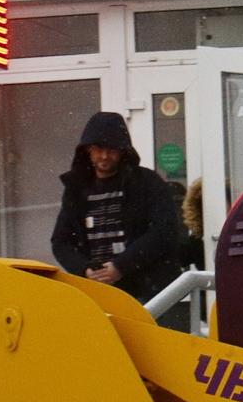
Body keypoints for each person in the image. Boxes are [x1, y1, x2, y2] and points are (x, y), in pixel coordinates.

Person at [51, 111, 188, 306]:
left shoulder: (147, 182)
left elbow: (164, 231)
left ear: (123, 151)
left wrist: (121, 266)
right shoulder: (76, 189)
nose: (104, 156)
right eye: (98, 149)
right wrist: (85, 270)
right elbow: (61, 241)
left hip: (150, 295)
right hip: (100, 296)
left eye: (112, 150)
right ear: (88, 150)